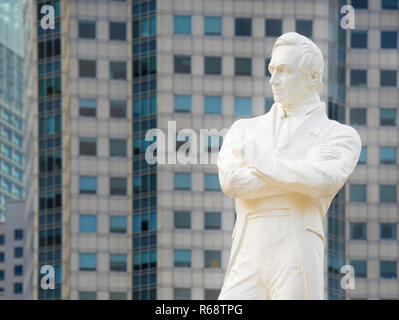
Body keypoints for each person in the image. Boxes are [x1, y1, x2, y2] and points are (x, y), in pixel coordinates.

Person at [217, 32, 361, 300]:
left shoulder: (339, 135)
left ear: (313, 77)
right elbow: (232, 183)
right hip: (247, 253)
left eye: (283, 71)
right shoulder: (244, 130)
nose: (273, 80)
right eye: (272, 70)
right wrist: (298, 173)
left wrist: (259, 161)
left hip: (296, 252)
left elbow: (321, 181)